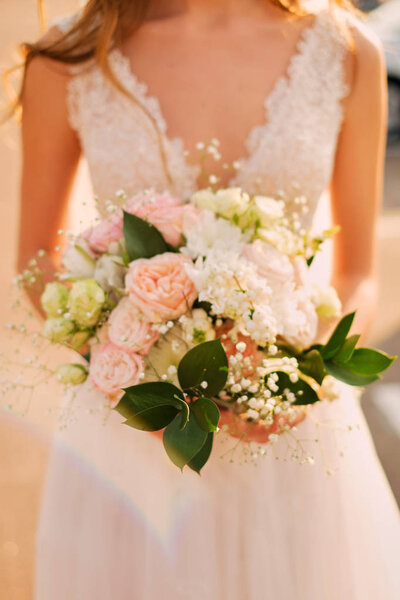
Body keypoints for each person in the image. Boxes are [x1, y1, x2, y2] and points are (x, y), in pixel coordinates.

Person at [14, 0, 400, 597]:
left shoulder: (345, 52)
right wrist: (136, 354)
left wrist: (294, 378)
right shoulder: (71, 56)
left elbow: (359, 276)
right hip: (127, 439)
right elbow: (35, 260)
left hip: (291, 439)